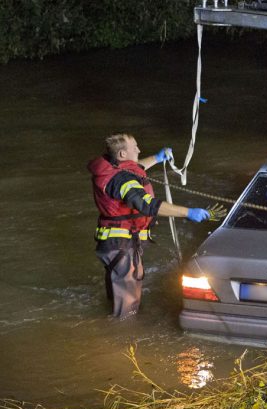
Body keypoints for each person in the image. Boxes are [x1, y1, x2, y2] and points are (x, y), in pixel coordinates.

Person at [87, 132, 212, 320]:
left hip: (113, 243)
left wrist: (157, 157)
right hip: (122, 244)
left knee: (119, 290)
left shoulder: (112, 167)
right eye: (135, 147)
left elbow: (133, 168)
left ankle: (115, 319)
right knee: (127, 304)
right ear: (122, 155)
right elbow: (147, 205)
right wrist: (188, 212)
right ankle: (123, 336)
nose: (139, 149)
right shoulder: (121, 181)